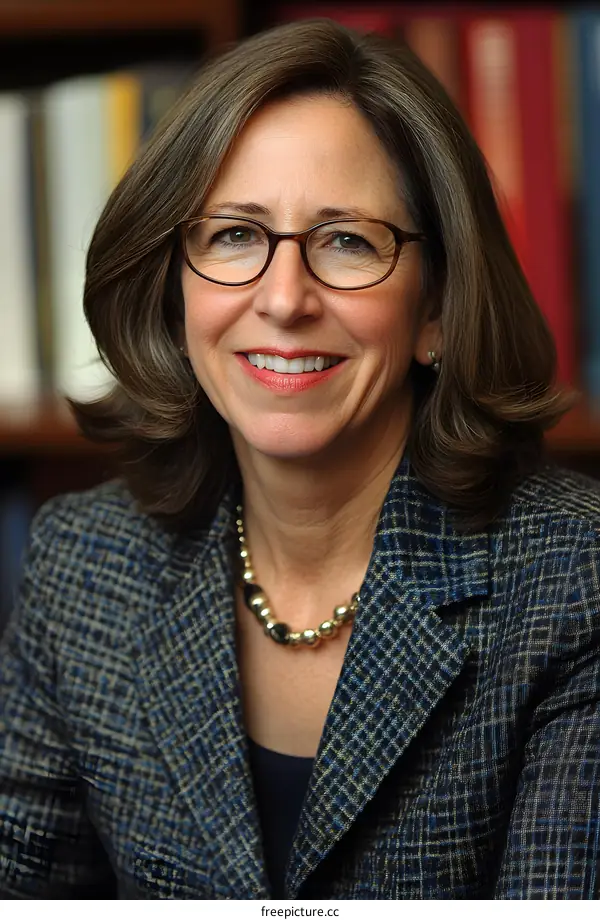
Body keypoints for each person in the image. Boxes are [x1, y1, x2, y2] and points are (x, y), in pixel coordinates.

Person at [1, 17, 599, 901]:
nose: (284, 299)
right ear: (176, 289)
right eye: (234, 235)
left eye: (348, 241)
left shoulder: (570, 583)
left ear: (436, 309)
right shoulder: (85, 572)